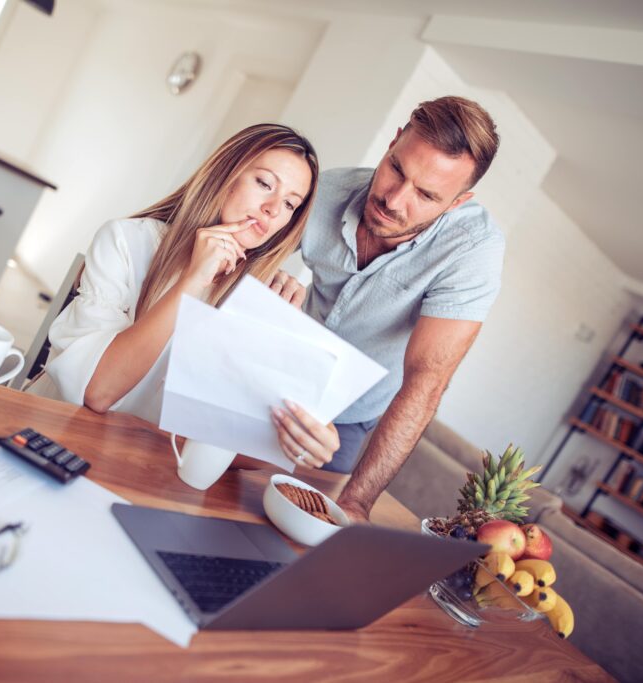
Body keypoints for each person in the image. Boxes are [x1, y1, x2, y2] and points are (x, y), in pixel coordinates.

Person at [38, 123, 340, 467]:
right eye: (264, 183)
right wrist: (193, 280)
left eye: (290, 204)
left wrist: (300, 438)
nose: (273, 209)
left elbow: (228, 445)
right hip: (56, 438)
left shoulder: (262, 296)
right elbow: (97, 392)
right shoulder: (125, 240)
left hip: (142, 466)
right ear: (226, 174)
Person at [280, 96, 506, 521]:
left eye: (426, 194)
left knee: (302, 526)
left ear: (457, 202)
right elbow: (244, 250)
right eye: (397, 170)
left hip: (348, 416)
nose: (395, 200)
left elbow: (426, 380)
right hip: (278, 370)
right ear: (394, 141)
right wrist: (263, 278)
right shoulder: (326, 189)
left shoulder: (472, 250)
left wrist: (357, 502)